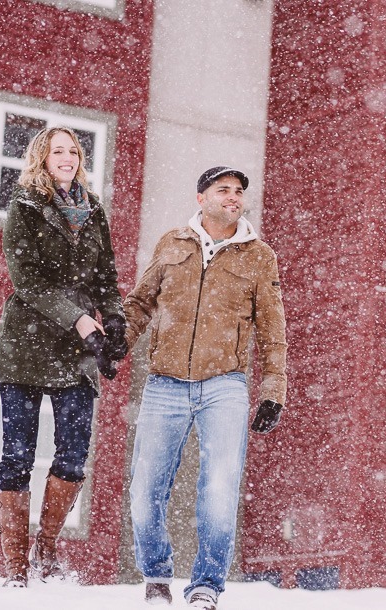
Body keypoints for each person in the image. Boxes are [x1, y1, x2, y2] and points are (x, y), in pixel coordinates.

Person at [124, 166, 287, 608]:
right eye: (223, 190)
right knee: (144, 489)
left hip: (225, 386)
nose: (233, 197)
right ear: (201, 198)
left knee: (219, 487)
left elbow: (272, 330)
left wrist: (274, 389)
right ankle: (156, 576)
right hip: (165, 384)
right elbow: (140, 303)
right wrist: (113, 347)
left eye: (238, 191)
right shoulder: (172, 243)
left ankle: (206, 586)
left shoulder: (259, 255)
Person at [0, 126, 127, 587]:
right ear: (42, 158)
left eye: (73, 151)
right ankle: (15, 569)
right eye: (57, 151)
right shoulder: (26, 205)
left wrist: (114, 318)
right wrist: (79, 319)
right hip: (25, 346)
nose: (66, 157)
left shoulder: (93, 210)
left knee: (72, 456)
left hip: (75, 353)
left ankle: (45, 549)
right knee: (18, 455)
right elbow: (26, 280)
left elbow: (106, 274)